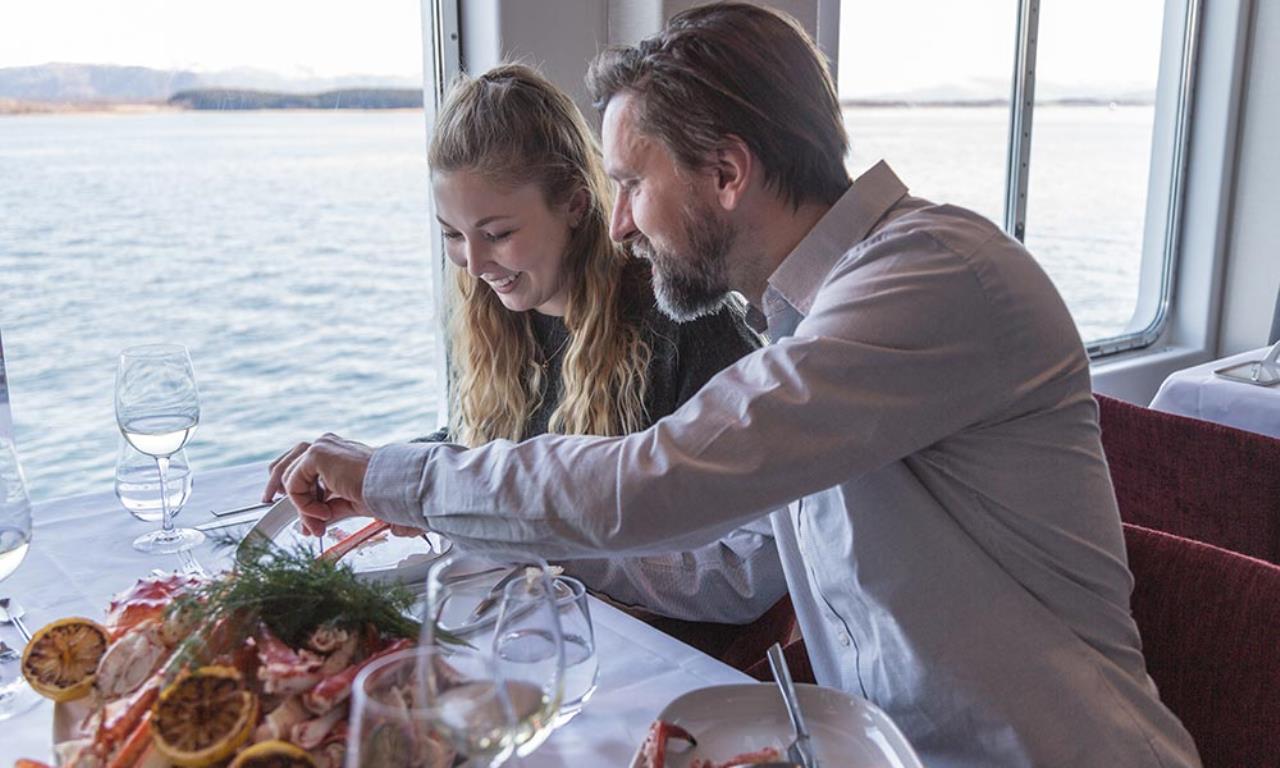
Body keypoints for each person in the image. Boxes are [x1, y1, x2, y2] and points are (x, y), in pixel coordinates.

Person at [277, 5, 1201, 767]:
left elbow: (648, 477)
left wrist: (400, 478)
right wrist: (516, 539)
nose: (623, 226)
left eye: (633, 182)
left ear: (727, 172)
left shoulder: (932, 277)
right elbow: (728, 572)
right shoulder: (814, 320)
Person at [263, 64, 785, 627]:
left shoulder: (686, 326)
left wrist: (522, 526)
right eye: (452, 235)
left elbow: (739, 572)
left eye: (499, 234)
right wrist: (379, 474)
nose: (475, 263)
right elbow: (491, 447)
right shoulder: (503, 315)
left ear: (577, 205)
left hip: (665, 651)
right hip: (540, 620)